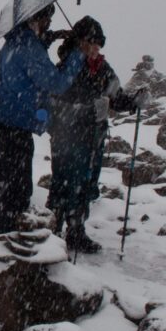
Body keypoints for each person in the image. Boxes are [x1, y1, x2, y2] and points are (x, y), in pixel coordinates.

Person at [47, 16, 147, 253]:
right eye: (90, 43)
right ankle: (58, 228)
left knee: (85, 183)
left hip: (92, 137)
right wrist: (88, 110)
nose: (94, 49)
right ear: (79, 42)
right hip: (67, 137)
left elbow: (117, 96)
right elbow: (54, 104)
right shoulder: (66, 68)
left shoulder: (103, 69)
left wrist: (134, 102)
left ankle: (75, 230)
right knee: (66, 181)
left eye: (98, 45)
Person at [0, 4, 85, 236]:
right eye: (47, 20)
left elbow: (27, 65)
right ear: (35, 19)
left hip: (5, 123)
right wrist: (77, 54)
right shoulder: (29, 48)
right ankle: (9, 242)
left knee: (6, 187)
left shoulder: (13, 43)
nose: (49, 23)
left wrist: (50, 38)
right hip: (17, 127)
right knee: (18, 190)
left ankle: (2, 235)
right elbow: (56, 83)